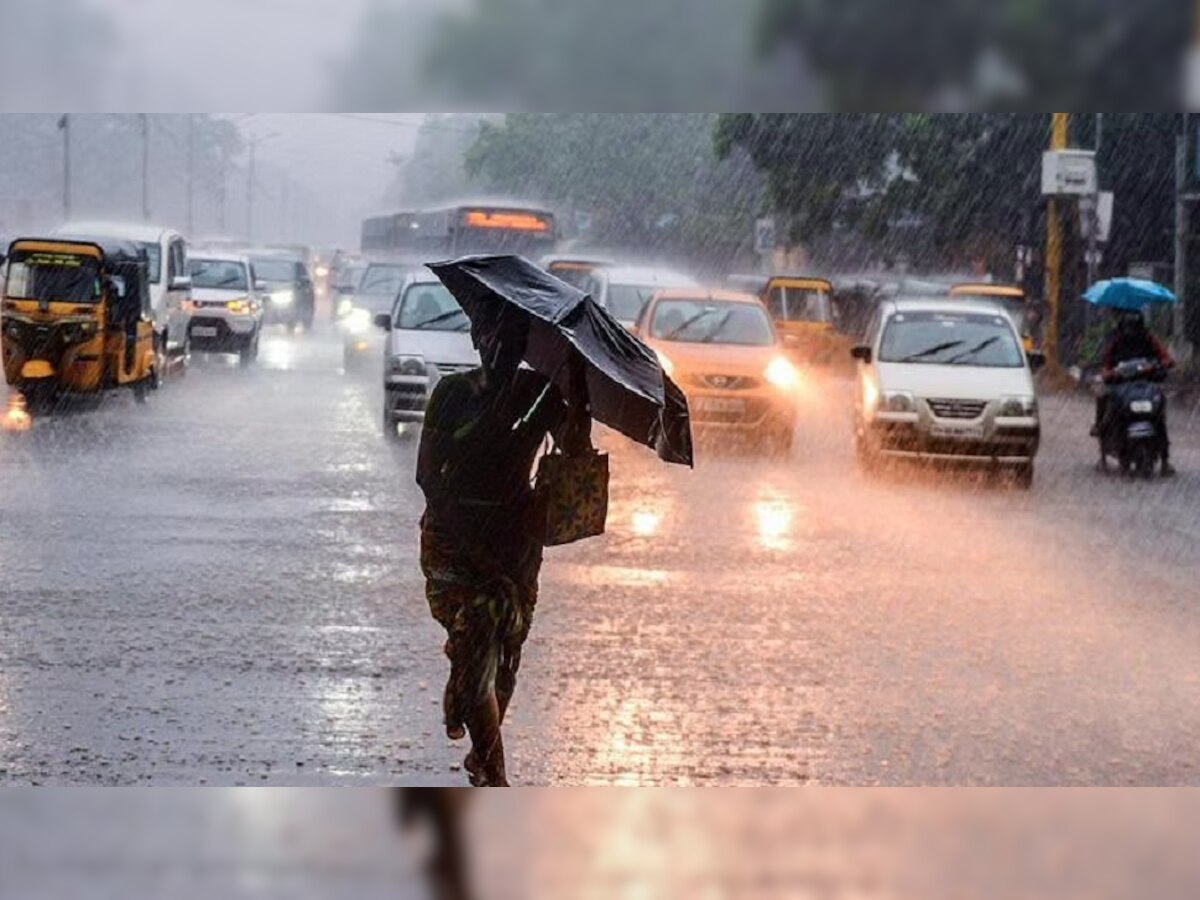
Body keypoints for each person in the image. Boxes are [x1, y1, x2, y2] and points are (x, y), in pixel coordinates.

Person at [416, 305, 591, 787]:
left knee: (504, 658)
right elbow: (428, 475)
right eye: (492, 334)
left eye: (514, 338)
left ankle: (471, 714)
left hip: (517, 544)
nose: (501, 347)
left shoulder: (539, 394)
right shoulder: (452, 395)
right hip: (455, 543)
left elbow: (575, 452)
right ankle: (495, 771)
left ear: (526, 345)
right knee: (477, 637)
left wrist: (576, 392)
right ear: (476, 337)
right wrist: (471, 546)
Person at [1091, 310, 1175, 474]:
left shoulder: (1150, 338)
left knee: (1160, 416)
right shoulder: (1115, 340)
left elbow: (1165, 357)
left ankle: (1165, 458)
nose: (1132, 331)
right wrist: (1109, 372)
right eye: (1129, 327)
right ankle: (1101, 430)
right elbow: (1106, 362)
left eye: (1135, 327)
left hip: (1147, 384)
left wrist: (1161, 365)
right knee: (1104, 398)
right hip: (1121, 384)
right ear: (1123, 326)